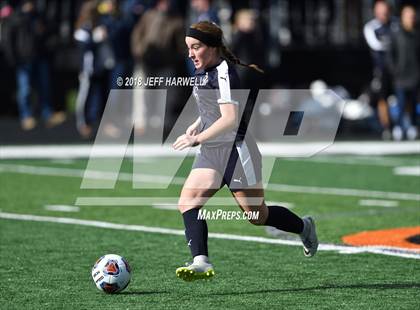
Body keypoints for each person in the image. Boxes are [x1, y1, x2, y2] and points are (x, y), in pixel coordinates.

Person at [172, 21, 318, 281]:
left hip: (237, 151)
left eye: (196, 47)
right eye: (188, 48)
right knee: (187, 202)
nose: (191, 54)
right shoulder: (202, 70)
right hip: (211, 152)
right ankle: (201, 261)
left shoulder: (224, 72)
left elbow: (230, 118)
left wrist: (197, 139)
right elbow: (209, 108)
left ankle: (304, 226)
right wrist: (195, 127)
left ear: (214, 47)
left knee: (256, 215)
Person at [363, 0, 397, 139]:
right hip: (382, 69)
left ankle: (408, 125)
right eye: (380, 11)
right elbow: (376, 45)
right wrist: (392, 44)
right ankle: (387, 127)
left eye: (385, 10)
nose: (383, 14)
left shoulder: (396, 24)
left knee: (405, 95)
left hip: (399, 69)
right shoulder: (371, 27)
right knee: (383, 98)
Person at [388, 5, 419, 140]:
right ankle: (399, 127)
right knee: (400, 103)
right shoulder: (396, 34)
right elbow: (390, 54)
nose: (410, 19)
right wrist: (395, 70)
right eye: (408, 16)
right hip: (400, 76)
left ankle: (413, 125)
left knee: (413, 103)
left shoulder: (417, 35)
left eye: (412, 16)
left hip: (415, 76)